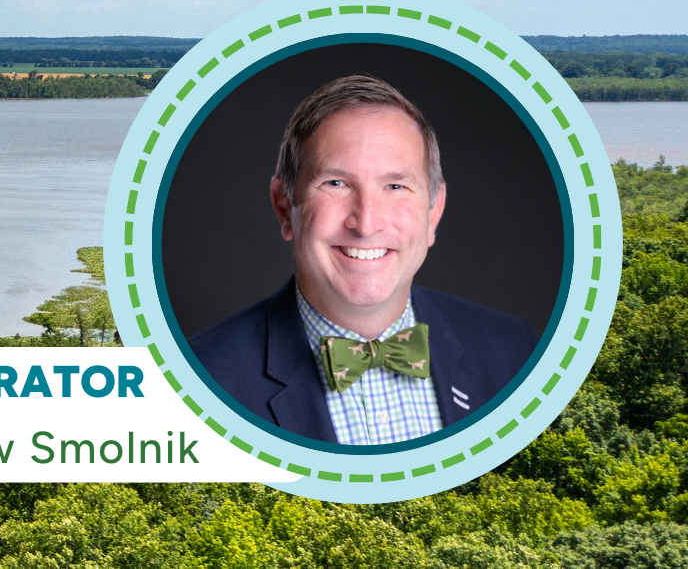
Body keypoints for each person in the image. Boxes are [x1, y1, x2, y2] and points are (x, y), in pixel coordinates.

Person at [188, 74, 536, 445]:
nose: (366, 223)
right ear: (285, 207)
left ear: (433, 212)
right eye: (336, 183)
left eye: (395, 186)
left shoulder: (517, 353)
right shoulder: (194, 384)